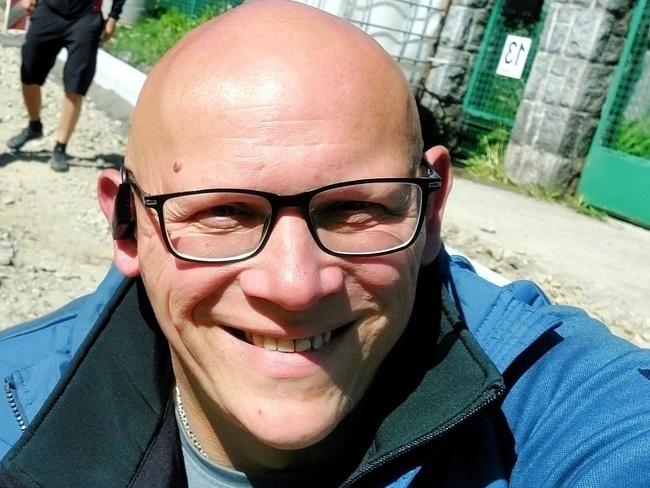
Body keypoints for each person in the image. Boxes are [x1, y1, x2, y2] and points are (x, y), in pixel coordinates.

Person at [1, 1, 649, 486]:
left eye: (354, 208)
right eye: (224, 212)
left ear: (431, 211)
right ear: (127, 225)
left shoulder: (563, 404)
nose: (294, 286)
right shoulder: (16, 403)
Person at [6, 0, 125, 172]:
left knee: (76, 84)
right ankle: (34, 125)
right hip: (49, 10)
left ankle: (60, 146)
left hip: (85, 17)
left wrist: (113, 17)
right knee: (29, 72)